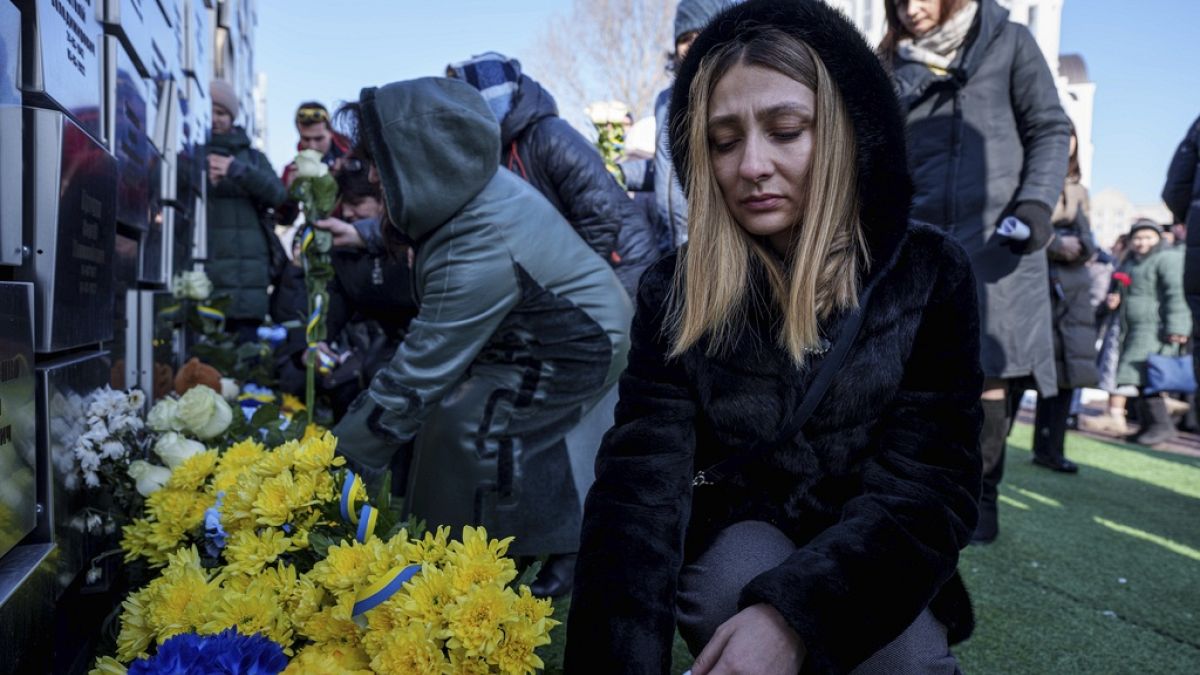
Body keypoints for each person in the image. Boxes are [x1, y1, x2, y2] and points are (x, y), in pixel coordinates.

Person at [566, 2, 983, 672]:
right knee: (732, 582)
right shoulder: (676, 290)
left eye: (786, 130)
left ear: (848, 132)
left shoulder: (930, 275)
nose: (751, 165)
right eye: (724, 141)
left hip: (874, 544)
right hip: (741, 533)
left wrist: (797, 616)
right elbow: (639, 489)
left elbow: (929, 488)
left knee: (905, 659)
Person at [330, 78, 632, 598]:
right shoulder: (468, 194)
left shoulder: (477, 237)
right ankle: (504, 549)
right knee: (463, 420)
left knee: (471, 426)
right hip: (551, 329)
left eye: (381, 160)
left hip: (576, 341)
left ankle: (489, 558)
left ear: (420, 156)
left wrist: (338, 460)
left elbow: (422, 367)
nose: (374, 176)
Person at [882, 0, 1070, 544]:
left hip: (997, 241)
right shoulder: (892, 61)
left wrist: (1035, 203)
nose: (910, 9)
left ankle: (981, 494)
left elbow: (1050, 128)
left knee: (990, 371)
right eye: (897, 0)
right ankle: (912, 486)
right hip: (916, 242)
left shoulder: (1010, 41)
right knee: (909, 369)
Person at [446, 52, 656, 297]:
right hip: (586, 267)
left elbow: (600, 212)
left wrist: (564, 277)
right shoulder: (499, 151)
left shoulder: (551, 137)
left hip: (622, 262)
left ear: (490, 98)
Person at [270, 167, 418, 417]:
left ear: (384, 200)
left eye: (357, 203)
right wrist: (312, 346)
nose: (348, 213)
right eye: (345, 204)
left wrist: (364, 235)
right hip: (379, 363)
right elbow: (330, 307)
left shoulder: (412, 240)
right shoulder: (344, 254)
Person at [619, 0, 729, 250]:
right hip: (671, 243)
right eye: (684, 38)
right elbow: (665, 166)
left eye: (699, 33)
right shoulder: (664, 102)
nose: (691, 43)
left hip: (713, 243)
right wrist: (619, 173)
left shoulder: (730, 93)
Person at [1031, 126, 1097, 472]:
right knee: (1024, 364)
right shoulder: (1029, 174)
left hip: (1070, 288)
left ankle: (1050, 447)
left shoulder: (1079, 191)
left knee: (1066, 368)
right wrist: (1057, 244)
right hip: (1033, 278)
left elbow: (1089, 241)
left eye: (1070, 135)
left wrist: (1077, 246)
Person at [206, 79, 288, 339]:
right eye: (209, 111)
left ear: (232, 117)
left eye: (221, 113)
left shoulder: (251, 158)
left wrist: (238, 171)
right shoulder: (190, 149)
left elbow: (278, 194)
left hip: (248, 280)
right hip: (207, 272)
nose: (215, 119)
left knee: (246, 359)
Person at [1109, 219, 1191, 446]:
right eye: (1137, 238)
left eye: (1147, 237)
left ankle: (1161, 425)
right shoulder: (1132, 262)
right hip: (1133, 327)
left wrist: (1177, 326)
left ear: (1157, 239)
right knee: (1137, 377)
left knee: (1150, 377)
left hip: (1155, 327)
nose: (1141, 242)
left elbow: (1176, 294)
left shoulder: (1167, 259)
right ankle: (1147, 426)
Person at [276, 102, 354, 226]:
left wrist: (343, 177)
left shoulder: (353, 157)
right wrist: (289, 194)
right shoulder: (292, 170)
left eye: (319, 139)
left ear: (330, 132)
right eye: (306, 139)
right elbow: (284, 220)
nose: (312, 146)